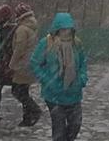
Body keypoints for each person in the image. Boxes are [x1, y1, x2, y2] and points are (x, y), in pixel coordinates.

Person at [30, 12, 88, 141]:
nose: (66, 32)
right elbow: (35, 63)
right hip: (54, 95)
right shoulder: (46, 43)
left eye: (68, 29)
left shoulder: (76, 43)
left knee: (75, 125)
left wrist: (82, 79)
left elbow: (83, 62)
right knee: (59, 129)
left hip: (74, 93)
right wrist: (47, 80)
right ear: (56, 29)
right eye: (62, 29)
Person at [8, 3, 44, 127]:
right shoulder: (32, 27)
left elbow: (19, 48)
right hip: (31, 63)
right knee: (24, 91)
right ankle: (27, 118)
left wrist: (12, 64)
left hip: (22, 64)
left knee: (17, 91)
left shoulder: (22, 29)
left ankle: (34, 110)